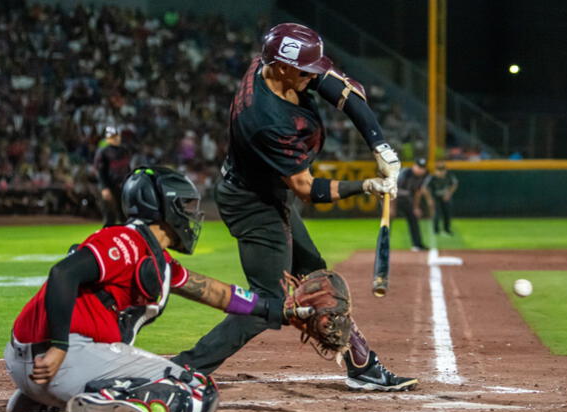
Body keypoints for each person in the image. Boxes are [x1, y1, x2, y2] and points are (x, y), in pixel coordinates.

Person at [172, 23, 418, 391]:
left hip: (269, 193)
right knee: (268, 304)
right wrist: (366, 185)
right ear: (284, 68)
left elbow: (347, 93)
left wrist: (380, 147)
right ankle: (182, 368)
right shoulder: (267, 121)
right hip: (252, 203)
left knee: (317, 279)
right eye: (306, 71)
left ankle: (361, 364)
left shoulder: (272, 67)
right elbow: (308, 189)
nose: (313, 76)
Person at [4, 166, 305, 412]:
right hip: (62, 359)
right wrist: (59, 346)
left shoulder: (151, 255)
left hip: (35, 366)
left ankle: (42, 401)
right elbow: (62, 274)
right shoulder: (126, 241)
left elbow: (214, 292)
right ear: (162, 207)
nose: (191, 215)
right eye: (184, 205)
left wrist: (277, 310)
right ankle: (101, 398)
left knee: (159, 370)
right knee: (197, 389)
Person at [93, 126, 131, 226]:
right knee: (110, 217)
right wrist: (104, 188)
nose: (116, 138)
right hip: (110, 187)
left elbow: (127, 169)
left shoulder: (124, 150)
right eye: (113, 137)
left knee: (125, 216)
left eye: (117, 136)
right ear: (107, 138)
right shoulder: (103, 151)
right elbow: (100, 171)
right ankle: (105, 239)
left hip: (123, 186)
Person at [395, 158, 433, 251]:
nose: (421, 170)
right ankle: (383, 246)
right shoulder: (404, 173)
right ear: (414, 166)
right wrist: (390, 207)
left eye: (423, 168)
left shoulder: (424, 176)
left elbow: (418, 192)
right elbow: (392, 189)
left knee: (414, 219)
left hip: (407, 200)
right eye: (419, 167)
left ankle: (417, 244)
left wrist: (416, 207)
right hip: (394, 199)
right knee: (387, 220)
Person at [425, 162, 458, 235]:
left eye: (442, 170)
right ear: (436, 170)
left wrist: (449, 194)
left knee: (447, 213)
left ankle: (447, 229)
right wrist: (429, 199)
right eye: (439, 170)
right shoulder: (432, 177)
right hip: (435, 197)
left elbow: (455, 184)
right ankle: (436, 230)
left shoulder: (449, 176)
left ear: (445, 170)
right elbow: (425, 188)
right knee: (436, 213)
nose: (441, 172)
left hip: (445, 197)